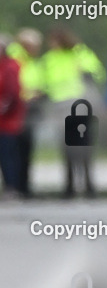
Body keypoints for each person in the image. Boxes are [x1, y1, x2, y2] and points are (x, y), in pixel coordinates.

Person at [39, 29, 106, 198]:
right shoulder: (49, 59)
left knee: (83, 145)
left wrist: (86, 72)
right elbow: (43, 80)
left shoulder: (79, 53)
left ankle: (89, 184)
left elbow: (97, 72)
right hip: (59, 106)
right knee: (66, 146)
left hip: (79, 105)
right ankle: (69, 185)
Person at [7, 29, 44, 197]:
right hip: (18, 107)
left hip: (31, 105)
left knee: (26, 147)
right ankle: (16, 185)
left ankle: (24, 186)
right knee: (16, 148)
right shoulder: (16, 58)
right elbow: (16, 84)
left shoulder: (32, 60)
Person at [0, 35, 25, 198]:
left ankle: (13, 187)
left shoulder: (10, 67)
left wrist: (3, 108)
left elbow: (12, 94)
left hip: (8, 121)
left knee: (8, 155)